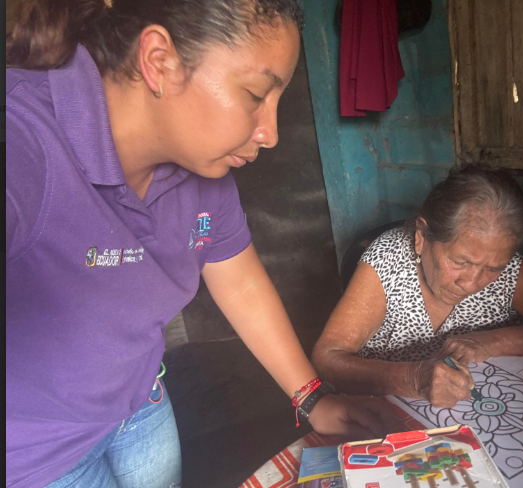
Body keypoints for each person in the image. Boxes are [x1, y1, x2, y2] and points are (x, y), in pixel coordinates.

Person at [5, 1, 393, 487]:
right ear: (159, 61)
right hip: (32, 455)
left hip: (138, 404)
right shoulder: (21, 143)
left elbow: (240, 283)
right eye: (255, 94)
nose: (270, 133)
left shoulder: (203, 173)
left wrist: (311, 397)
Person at [312, 164, 523, 409]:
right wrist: (415, 378)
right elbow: (327, 357)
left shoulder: (507, 268)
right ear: (421, 237)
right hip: (389, 414)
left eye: (492, 268)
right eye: (460, 261)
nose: (471, 283)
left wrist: (492, 342)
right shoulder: (388, 260)